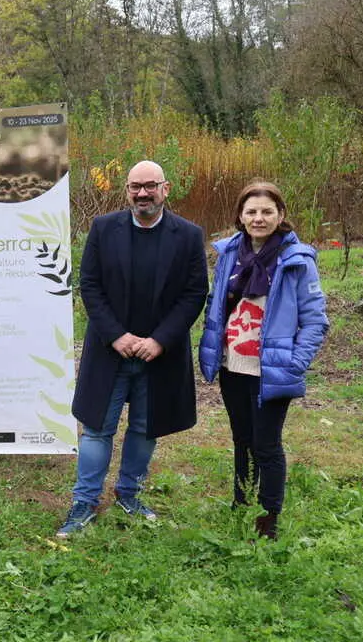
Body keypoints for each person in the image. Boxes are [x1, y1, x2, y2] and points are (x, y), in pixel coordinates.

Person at [57, 161, 208, 537]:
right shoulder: (104, 229)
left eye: (150, 186)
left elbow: (194, 294)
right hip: (111, 350)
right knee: (96, 428)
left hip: (160, 354)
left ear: (165, 188)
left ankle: (129, 493)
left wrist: (160, 340)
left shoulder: (189, 236)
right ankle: (84, 502)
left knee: (145, 427)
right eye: (135, 187)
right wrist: (116, 336)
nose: (143, 193)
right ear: (126, 190)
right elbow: (89, 285)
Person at [198, 180, 328, 540]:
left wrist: (294, 363)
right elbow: (217, 304)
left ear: (280, 215)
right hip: (233, 365)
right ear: (240, 216)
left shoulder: (296, 260)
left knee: (267, 444)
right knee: (242, 439)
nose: (259, 218)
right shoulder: (229, 254)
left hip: (271, 370)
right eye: (251, 211)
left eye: (267, 211)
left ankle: (268, 517)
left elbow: (315, 320)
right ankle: (242, 503)